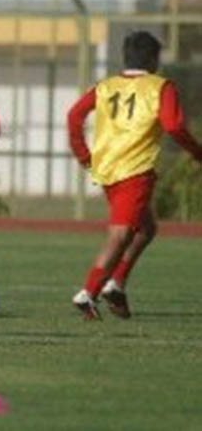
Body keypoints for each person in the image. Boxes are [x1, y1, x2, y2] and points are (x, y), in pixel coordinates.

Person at [68, 30, 202, 320]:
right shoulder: (160, 87)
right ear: (154, 59)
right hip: (135, 170)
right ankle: (88, 292)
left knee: (146, 229)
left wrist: (84, 155)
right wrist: (197, 152)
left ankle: (115, 284)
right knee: (121, 234)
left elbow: (74, 116)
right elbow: (174, 125)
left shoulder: (105, 86)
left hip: (106, 169)